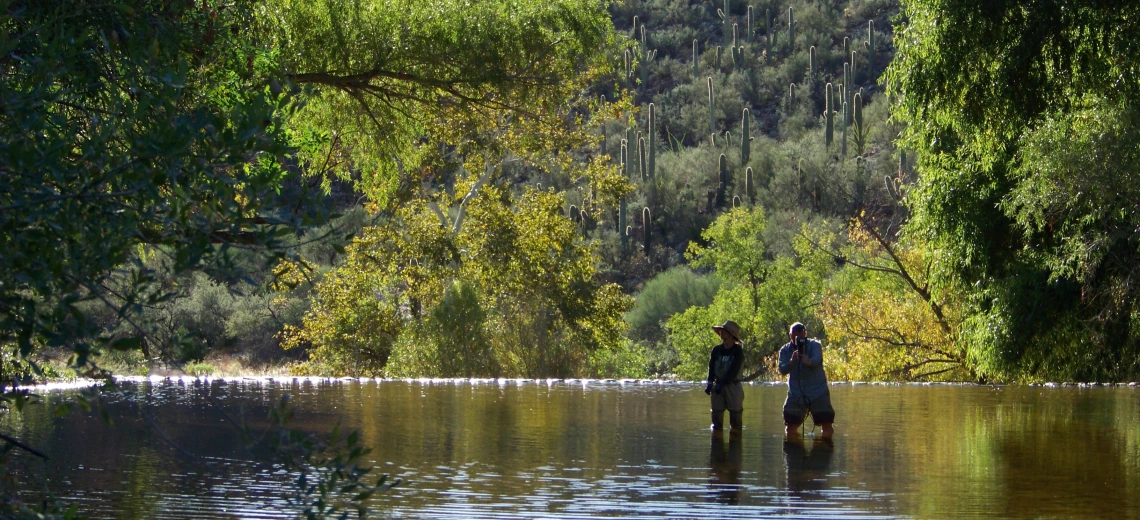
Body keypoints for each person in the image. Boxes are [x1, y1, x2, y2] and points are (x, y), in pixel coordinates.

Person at [778, 322, 835, 437]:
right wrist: (792, 362)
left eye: (801, 335)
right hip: (796, 393)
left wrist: (809, 362)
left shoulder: (815, 345)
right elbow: (782, 370)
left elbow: (817, 359)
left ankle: (824, 449)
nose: (798, 338)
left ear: (805, 334)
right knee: (790, 426)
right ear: (790, 336)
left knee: (826, 423)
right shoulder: (785, 350)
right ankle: (793, 450)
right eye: (795, 336)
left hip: (817, 391)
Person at [705, 320, 745, 431]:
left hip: (733, 386)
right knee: (716, 420)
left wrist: (723, 384)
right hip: (717, 385)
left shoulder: (738, 351)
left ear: (731, 335)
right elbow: (711, 367)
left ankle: (735, 444)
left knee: (736, 420)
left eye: (724, 331)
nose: (721, 332)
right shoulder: (716, 350)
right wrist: (709, 383)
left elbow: (734, 370)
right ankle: (717, 444)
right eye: (720, 330)